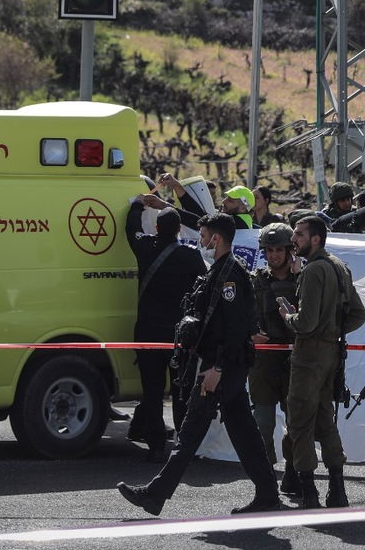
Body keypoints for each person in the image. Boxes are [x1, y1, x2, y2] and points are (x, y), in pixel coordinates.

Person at [117, 213, 282, 517]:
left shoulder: (229, 274)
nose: (201, 241)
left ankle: (154, 495)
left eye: (204, 235)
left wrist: (217, 369)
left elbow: (233, 328)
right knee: (245, 433)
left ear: (216, 239)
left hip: (221, 368)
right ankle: (269, 494)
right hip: (222, 365)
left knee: (191, 432)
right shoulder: (220, 270)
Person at [279, 215, 365, 508]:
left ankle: (309, 491)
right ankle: (337, 489)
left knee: (300, 421)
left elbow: (305, 323)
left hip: (309, 355)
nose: (294, 240)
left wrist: (287, 317)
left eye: (299, 235)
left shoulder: (314, 270)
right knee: (324, 420)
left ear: (315, 238)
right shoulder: (338, 266)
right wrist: (332, 332)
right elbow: (358, 314)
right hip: (331, 353)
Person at [126, 197, 205, 461]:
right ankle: (181, 446)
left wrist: (137, 206)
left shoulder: (145, 247)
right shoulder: (191, 256)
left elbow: (132, 229)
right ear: (180, 230)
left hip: (147, 332)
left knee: (152, 391)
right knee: (181, 391)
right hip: (178, 335)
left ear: (157, 229)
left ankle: (156, 445)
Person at [248, 222, 299, 490]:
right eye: (269, 250)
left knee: (295, 422)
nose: (274, 255)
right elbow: (241, 315)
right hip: (263, 362)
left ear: (290, 250)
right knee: (263, 424)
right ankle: (265, 481)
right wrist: (251, 334)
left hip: (295, 361)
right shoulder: (255, 280)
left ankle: (292, 471)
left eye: (279, 249)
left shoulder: (303, 279)